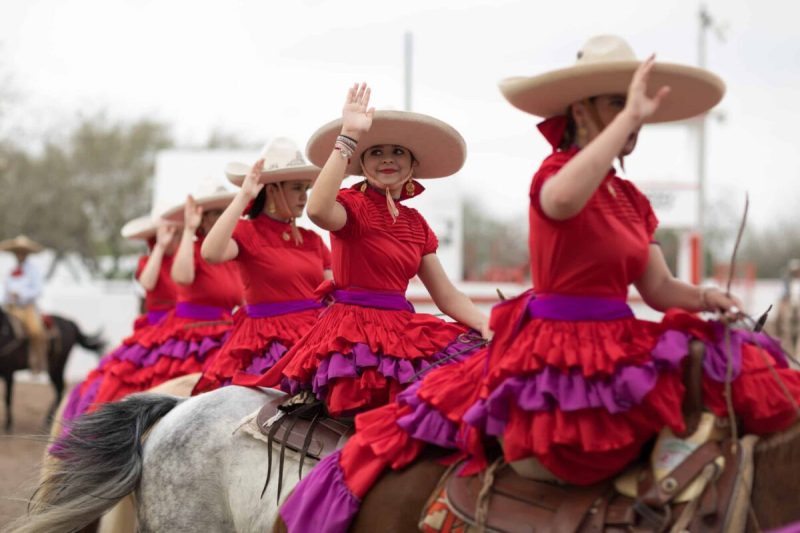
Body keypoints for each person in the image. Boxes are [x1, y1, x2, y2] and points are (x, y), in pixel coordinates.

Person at [277, 36, 800, 532]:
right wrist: (348, 138)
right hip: (547, 343)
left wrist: (705, 297)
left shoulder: (632, 200)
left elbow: (660, 290)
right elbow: (562, 202)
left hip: (613, 338)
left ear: (415, 165)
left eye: (634, 108)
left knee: (733, 375)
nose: (631, 117)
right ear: (580, 112)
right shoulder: (554, 173)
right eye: (615, 105)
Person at [235, 84, 490, 417]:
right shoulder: (352, 205)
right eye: (376, 151)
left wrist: (489, 326)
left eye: (398, 152)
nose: (387, 158)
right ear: (362, 161)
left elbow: (448, 297)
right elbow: (317, 211)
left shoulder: (418, 224)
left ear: (413, 164)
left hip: (402, 332)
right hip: (352, 336)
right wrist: (348, 136)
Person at [192, 138, 332, 394]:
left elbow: (335, 289)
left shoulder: (313, 239)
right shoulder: (247, 232)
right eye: (296, 188)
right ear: (273, 189)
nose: (304, 196)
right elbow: (211, 253)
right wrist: (243, 195)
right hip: (267, 340)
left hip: (316, 335)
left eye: (306, 188)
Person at [91, 184, 244, 403]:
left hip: (227, 333)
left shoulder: (231, 254)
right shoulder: (185, 251)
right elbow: (170, 279)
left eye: (225, 213)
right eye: (217, 213)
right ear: (203, 219)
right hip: (189, 334)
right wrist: (178, 237)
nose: (223, 218)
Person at [62, 215, 182, 421]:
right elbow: (148, 283)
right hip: (156, 326)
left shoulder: (189, 260)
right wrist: (160, 249)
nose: (175, 238)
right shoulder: (148, 261)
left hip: (180, 325)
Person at [1, 235, 47, 373]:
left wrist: (21, 295)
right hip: (10, 308)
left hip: (27, 307)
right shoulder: (10, 271)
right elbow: (5, 290)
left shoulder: (33, 270)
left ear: (26, 254)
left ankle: (38, 361)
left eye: (22, 252)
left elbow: (38, 290)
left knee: (36, 331)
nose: (19, 254)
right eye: (17, 252)